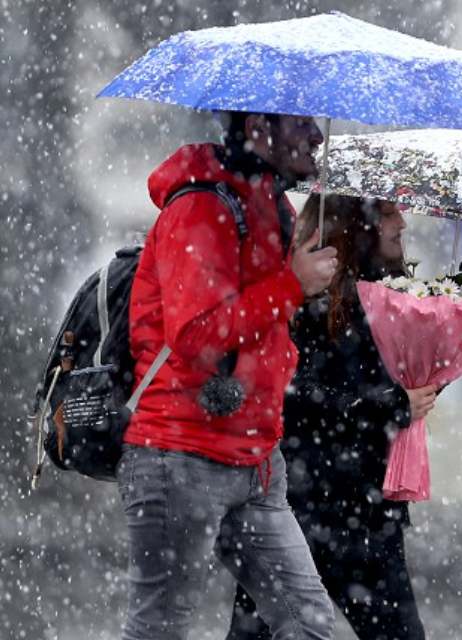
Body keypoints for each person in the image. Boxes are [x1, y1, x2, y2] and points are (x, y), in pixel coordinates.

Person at [121, 111, 339, 639]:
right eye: (300, 123)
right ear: (258, 128)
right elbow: (196, 334)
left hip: (256, 460)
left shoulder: (270, 206)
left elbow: (266, 327)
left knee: (308, 624)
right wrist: (291, 285)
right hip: (181, 455)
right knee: (160, 629)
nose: (316, 135)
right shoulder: (200, 206)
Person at [226, 194, 439, 640]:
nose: (401, 221)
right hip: (299, 508)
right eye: (387, 213)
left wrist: (429, 377)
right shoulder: (306, 299)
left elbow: (382, 391)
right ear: (355, 224)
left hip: (368, 512)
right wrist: (389, 406)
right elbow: (295, 397)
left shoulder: (394, 297)